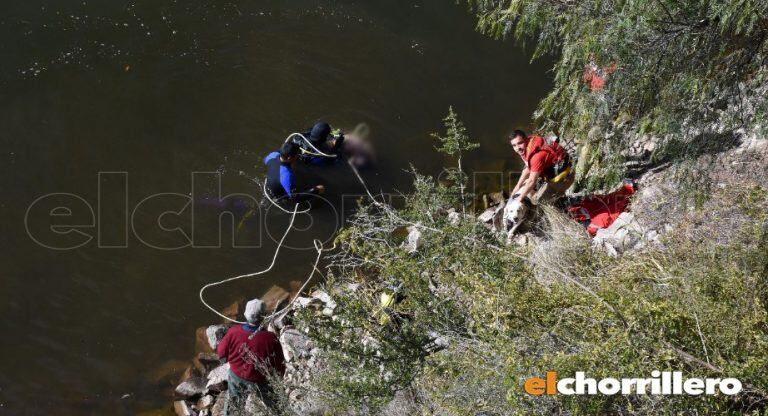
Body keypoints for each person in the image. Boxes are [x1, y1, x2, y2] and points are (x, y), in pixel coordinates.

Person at [216, 299, 286, 415]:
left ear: (245, 315)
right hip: (261, 379)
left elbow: (221, 352)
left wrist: (227, 359)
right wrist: (279, 377)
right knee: (274, 402)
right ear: (264, 317)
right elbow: (279, 362)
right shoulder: (270, 338)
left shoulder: (234, 331)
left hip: (237, 375)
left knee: (234, 404)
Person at [509, 129, 574, 205]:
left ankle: (561, 203)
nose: (517, 148)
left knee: (537, 202)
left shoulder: (536, 157)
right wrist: (517, 187)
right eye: (514, 145)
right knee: (526, 185)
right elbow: (527, 168)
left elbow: (532, 181)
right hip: (555, 165)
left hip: (564, 176)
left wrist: (520, 198)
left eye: (520, 143)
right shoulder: (529, 144)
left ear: (526, 139)